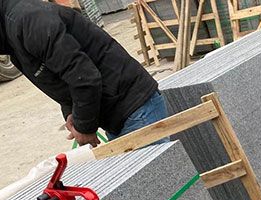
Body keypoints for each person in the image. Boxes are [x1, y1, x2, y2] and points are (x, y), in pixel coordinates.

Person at [0, 0, 168, 148]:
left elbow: (84, 78)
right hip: (118, 112)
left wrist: (84, 127)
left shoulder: (29, 22)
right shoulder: (13, 34)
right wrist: (71, 114)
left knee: (158, 172)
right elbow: (61, 76)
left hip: (134, 108)